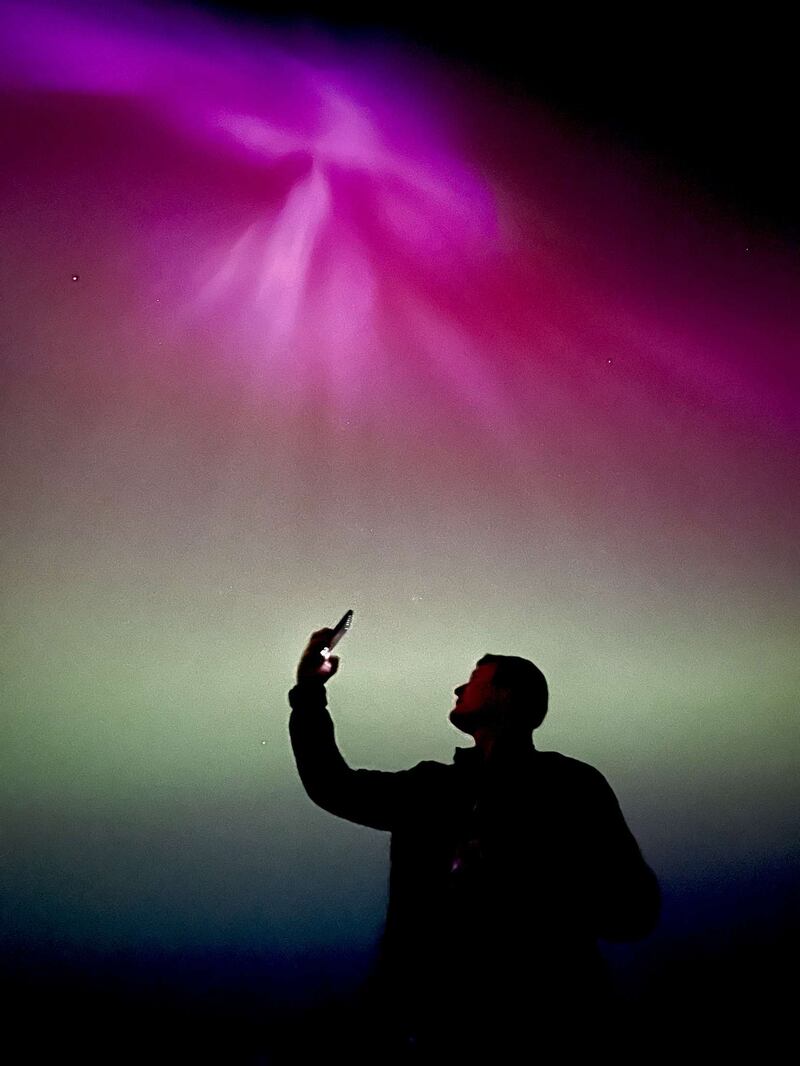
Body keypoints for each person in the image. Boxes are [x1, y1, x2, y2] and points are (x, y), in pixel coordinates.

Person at [288, 627, 660, 1060]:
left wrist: (523, 882)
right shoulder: (431, 789)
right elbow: (333, 786)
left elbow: (635, 909)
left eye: (475, 678)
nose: (459, 687)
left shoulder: (571, 786)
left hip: (550, 1033)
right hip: (439, 1035)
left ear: (505, 696)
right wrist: (309, 690)